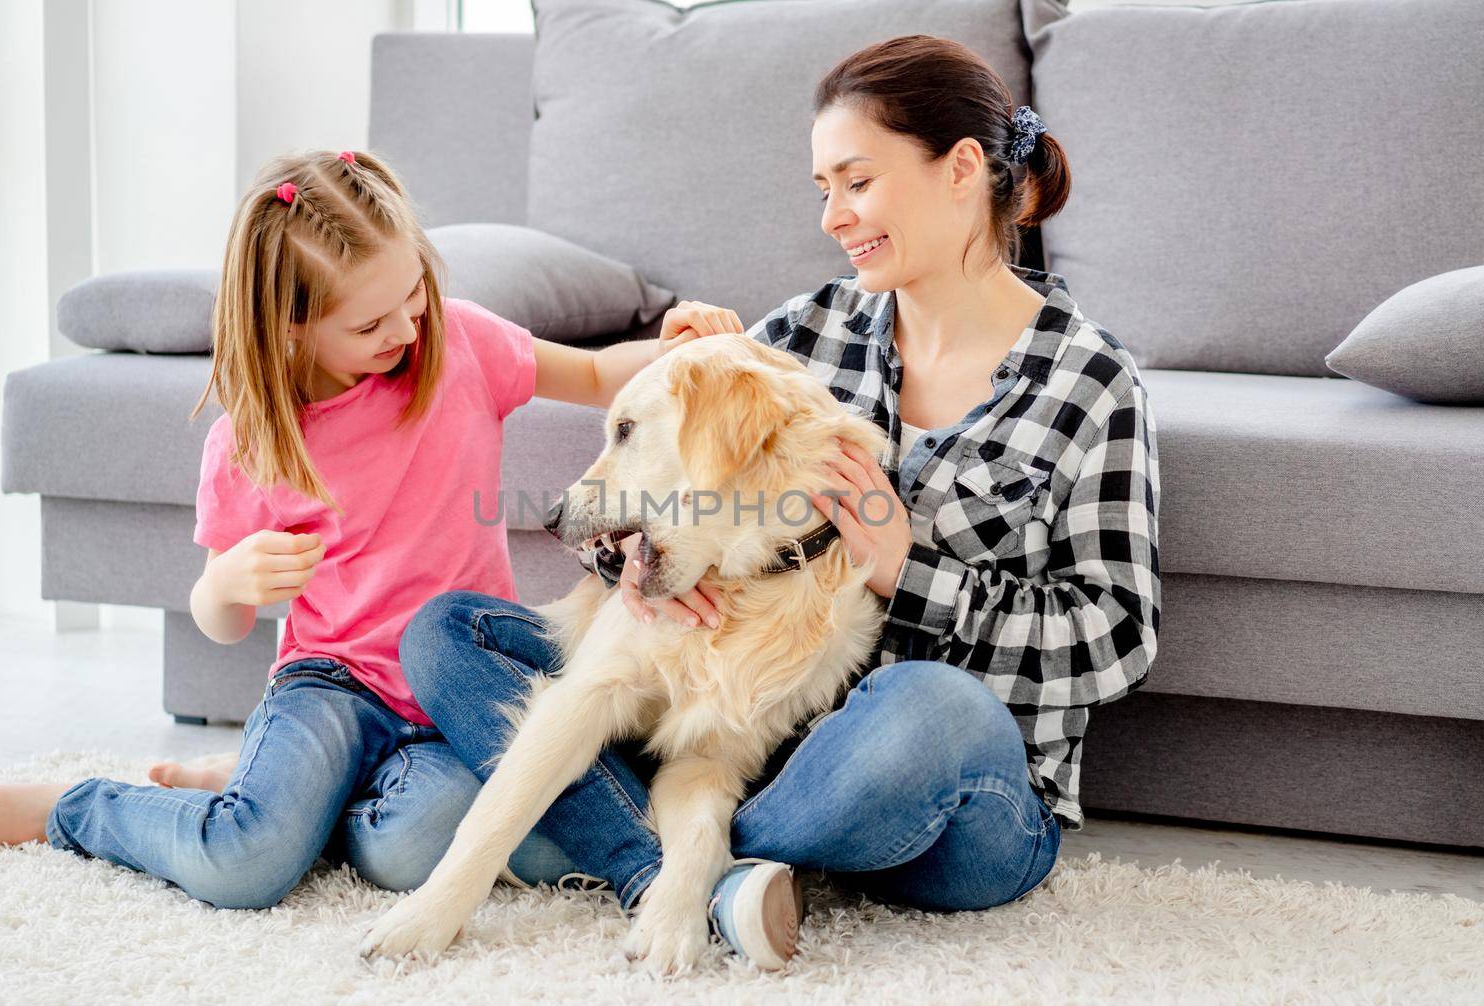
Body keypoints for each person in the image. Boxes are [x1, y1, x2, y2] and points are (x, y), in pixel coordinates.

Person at [398, 34, 1162, 969]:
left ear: (962, 169)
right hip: (760, 729)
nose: (836, 216)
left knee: (925, 703)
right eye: (822, 190)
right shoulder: (805, 331)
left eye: (857, 181)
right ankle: (687, 869)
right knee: (447, 632)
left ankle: (635, 836)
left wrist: (906, 570)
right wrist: (643, 569)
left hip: (951, 788)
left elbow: (1120, 636)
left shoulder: (1090, 379)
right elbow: (661, 472)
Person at [0, 148, 738, 910]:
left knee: (415, 849)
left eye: (413, 294)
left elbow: (594, 375)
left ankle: (275, 788)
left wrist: (675, 349)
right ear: (291, 324)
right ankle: (79, 808)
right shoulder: (250, 444)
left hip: (453, 692)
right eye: (372, 324)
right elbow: (220, 619)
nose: (408, 329)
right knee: (244, 866)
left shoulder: (458, 347)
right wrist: (226, 582)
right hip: (332, 684)